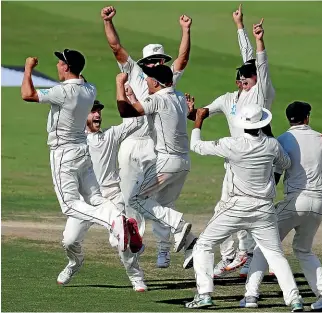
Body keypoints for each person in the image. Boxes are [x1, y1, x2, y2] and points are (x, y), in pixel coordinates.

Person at [20, 49, 142, 255]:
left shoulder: (63, 92)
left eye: (60, 63)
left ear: (67, 67)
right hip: (82, 151)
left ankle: (113, 222)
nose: (58, 66)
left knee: (69, 205)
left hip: (63, 153)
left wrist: (28, 68)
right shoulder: (90, 90)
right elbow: (81, 79)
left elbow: (27, 94)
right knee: (95, 198)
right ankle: (119, 218)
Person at [101, 5, 196, 268]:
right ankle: (134, 246)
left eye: (159, 60)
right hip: (132, 145)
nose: (156, 64)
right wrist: (108, 22)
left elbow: (183, 59)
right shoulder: (133, 70)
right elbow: (116, 48)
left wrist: (186, 31)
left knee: (164, 201)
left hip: (157, 149)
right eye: (151, 61)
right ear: (143, 64)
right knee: (131, 199)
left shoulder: (167, 80)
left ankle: (165, 249)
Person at [184, 105, 303, 311]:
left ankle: (204, 294)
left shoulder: (232, 144)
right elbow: (286, 164)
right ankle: (294, 299)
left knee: (203, 245)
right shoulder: (272, 145)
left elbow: (196, 146)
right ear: (262, 124)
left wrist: (199, 120)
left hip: (236, 206)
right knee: (275, 255)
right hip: (264, 210)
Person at [187, 10, 275, 278]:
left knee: (240, 210)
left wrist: (256, 39)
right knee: (233, 211)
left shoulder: (260, 93)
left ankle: (240, 256)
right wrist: (192, 112)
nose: (247, 80)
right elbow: (200, 114)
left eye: (250, 77)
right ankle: (242, 257)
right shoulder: (229, 99)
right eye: (243, 77)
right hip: (234, 159)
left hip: (256, 157)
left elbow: (258, 64)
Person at [242, 101, 322, 311]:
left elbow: (275, 177)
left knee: (265, 245)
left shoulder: (282, 140)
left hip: (295, 201)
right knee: (303, 250)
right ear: (307, 117)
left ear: (289, 119)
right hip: (318, 204)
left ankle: (251, 295)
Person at [57, 100, 147, 291]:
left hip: (112, 198)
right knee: (69, 241)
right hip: (85, 201)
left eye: (98, 111)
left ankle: (136, 276)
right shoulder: (75, 142)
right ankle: (75, 263)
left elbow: (137, 122)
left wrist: (129, 98)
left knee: (121, 241)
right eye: (92, 111)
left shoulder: (110, 135)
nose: (97, 115)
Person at [114, 66, 193, 255]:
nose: (146, 82)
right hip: (184, 163)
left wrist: (119, 84)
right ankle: (192, 244)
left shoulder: (157, 99)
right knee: (161, 205)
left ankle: (178, 224)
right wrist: (133, 97)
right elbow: (145, 113)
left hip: (166, 161)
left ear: (156, 83)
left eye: (148, 79)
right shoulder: (179, 96)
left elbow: (126, 112)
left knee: (134, 199)